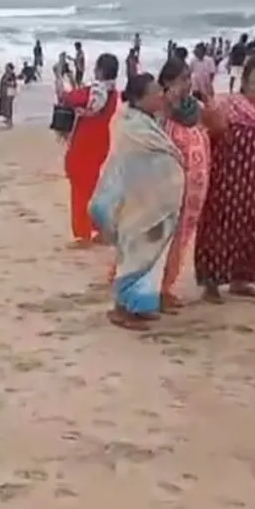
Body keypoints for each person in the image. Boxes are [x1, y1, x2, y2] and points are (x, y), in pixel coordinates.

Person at [88, 73, 183, 331]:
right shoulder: (130, 125)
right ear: (141, 98)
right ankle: (122, 309)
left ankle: (138, 306)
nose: (161, 95)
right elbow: (129, 162)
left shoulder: (147, 120)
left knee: (148, 256)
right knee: (133, 255)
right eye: (155, 92)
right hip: (134, 202)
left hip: (149, 202)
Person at [194, 59, 255, 302]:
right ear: (244, 84)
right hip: (226, 183)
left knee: (254, 232)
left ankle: (241, 280)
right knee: (218, 231)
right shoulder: (228, 109)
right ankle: (211, 284)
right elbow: (207, 139)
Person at [158, 58, 213, 310]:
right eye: (182, 79)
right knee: (162, 237)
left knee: (182, 238)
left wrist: (209, 98)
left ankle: (167, 286)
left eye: (189, 77)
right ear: (167, 82)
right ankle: (155, 288)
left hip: (194, 189)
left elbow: (220, 125)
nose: (187, 83)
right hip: (168, 188)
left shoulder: (195, 108)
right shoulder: (159, 110)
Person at [61, 53, 120, 246]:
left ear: (101, 71)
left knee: (79, 190)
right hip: (101, 142)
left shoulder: (94, 92)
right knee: (94, 189)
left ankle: (82, 234)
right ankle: (101, 229)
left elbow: (69, 98)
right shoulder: (112, 93)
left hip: (84, 143)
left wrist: (59, 78)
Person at [0, 62, 18, 127]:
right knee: (6, 106)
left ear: (9, 68)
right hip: (7, 92)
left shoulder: (11, 74)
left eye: (6, 67)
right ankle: (7, 119)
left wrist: (6, 82)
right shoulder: (8, 74)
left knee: (8, 106)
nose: (5, 68)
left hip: (9, 92)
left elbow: (13, 83)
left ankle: (9, 120)